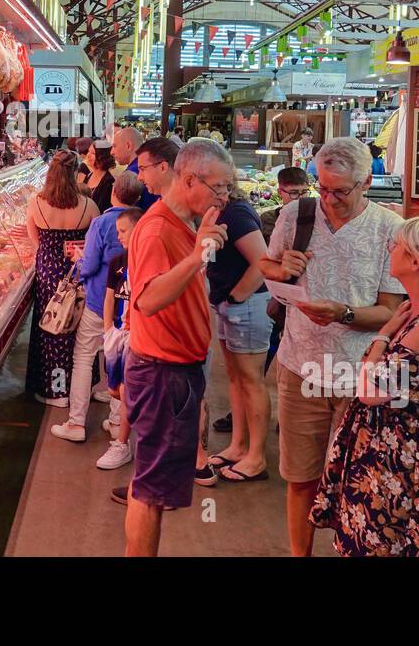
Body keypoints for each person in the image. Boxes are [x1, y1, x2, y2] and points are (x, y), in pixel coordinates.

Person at [259, 136, 406, 557]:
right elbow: (267, 266)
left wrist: (343, 313)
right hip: (298, 366)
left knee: (354, 479)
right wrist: (280, 265)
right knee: (300, 477)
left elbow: (391, 312)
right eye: (322, 188)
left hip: (358, 374)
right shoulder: (296, 213)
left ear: (365, 183)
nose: (329, 199)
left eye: (339, 191)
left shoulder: (388, 229)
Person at [312, 216, 419, 556]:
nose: (390, 248)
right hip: (393, 459)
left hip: (408, 466)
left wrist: (383, 335)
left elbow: (368, 390)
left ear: (416, 261)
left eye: (397, 244)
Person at [120, 139, 233, 556]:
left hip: (174, 371)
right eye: (219, 187)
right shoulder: (156, 229)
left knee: (151, 483)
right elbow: (147, 300)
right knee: (151, 491)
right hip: (163, 374)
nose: (224, 197)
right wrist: (197, 258)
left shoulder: (183, 223)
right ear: (188, 180)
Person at [215, 165, 310, 435]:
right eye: (293, 193)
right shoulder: (269, 218)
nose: (299, 198)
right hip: (274, 298)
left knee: (261, 372)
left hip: (289, 300)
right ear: (280, 192)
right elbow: (267, 261)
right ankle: (242, 426)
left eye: (304, 192)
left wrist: (236, 297)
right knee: (251, 370)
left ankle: (285, 420)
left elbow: (261, 261)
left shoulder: (242, 214)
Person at [51, 171, 146, 443]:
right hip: (129, 306)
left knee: (83, 357)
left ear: (114, 191)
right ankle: (117, 421)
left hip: (97, 302)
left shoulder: (103, 222)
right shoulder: (144, 221)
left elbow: (91, 266)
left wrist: (79, 259)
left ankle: (76, 422)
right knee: (118, 359)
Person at [205, 179, 273, 483]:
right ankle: (238, 446)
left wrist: (236, 297)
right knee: (236, 378)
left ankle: (256, 457)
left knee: (251, 380)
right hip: (231, 305)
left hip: (247, 305)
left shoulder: (236, 214)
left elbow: (263, 262)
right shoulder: (222, 212)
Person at [25, 150, 100, 407]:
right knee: (75, 329)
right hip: (76, 271)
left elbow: (34, 238)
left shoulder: (36, 203)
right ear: (75, 173)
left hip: (48, 270)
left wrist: (50, 250)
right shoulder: (89, 206)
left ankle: (54, 391)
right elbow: (95, 244)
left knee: (49, 328)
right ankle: (76, 387)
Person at [95, 207, 142, 470]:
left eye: (123, 231)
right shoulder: (117, 262)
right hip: (117, 334)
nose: (119, 236)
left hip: (138, 336)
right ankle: (121, 430)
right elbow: (110, 297)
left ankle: (122, 443)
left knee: (126, 389)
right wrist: (107, 330)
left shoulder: (147, 263)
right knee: (115, 389)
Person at [111, 126, 157, 209]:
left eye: (114, 146)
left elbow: (123, 212)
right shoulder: (150, 167)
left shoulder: (131, 174)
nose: (112, 152)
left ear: (128, 145)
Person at [83, 141, 117, 212]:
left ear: (102, 157)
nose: (88, 155)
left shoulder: (109, 182)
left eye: (93, 153)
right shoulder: (89, 175)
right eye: (89, 151)